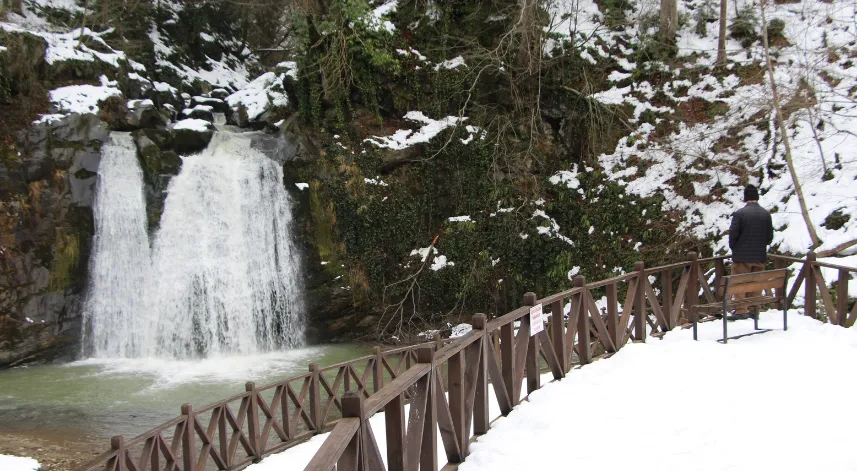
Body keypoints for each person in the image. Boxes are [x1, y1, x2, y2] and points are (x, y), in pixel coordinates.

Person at [728, 184, 774, 320]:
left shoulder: (739, 214)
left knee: (739, 283)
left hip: (742, 256)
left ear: (745, 198)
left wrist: (735, 248)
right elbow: (769, 238)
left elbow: (733, 235)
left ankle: (741, 310)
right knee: (756, 283)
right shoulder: (766, 214)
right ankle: (754, 309)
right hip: (759, 255)